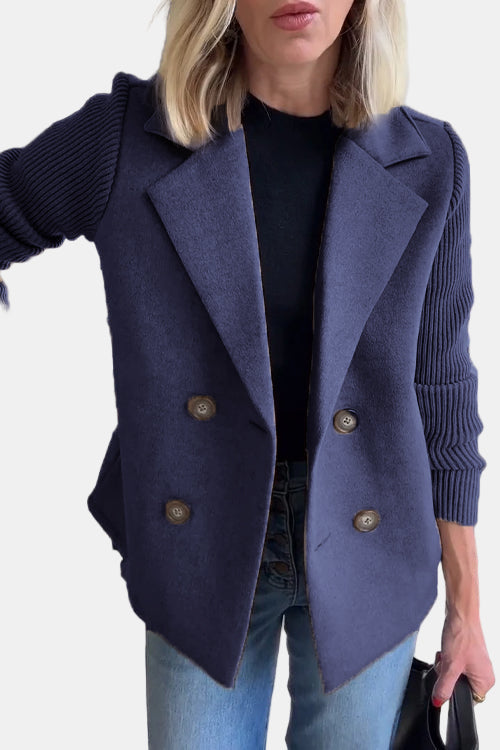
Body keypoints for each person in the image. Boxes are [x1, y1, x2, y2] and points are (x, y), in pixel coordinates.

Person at [0, 1, 495, 747]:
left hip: (374, 543)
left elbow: (443, 385)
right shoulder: (129, 140)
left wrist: (467, 609)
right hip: (200, 541)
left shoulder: (430, 161)